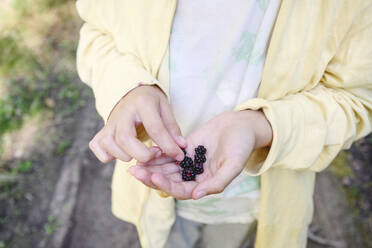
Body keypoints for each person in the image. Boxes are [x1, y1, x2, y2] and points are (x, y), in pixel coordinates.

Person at [75, 0, 372, 247]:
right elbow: (98, 34)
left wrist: (260, 127)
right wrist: (129, 87)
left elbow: (356, 100)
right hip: (153, 188)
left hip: (252, 200)